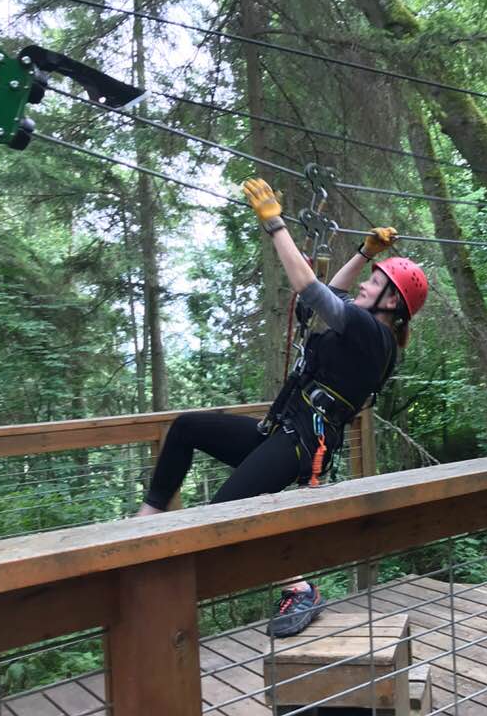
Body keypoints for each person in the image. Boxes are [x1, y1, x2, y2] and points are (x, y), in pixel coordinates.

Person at [136, 177, 428, 637]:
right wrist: (363, 254)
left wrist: (275, 225)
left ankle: (299, 586)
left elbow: (311, 289)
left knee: (223, 513)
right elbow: (328, 297)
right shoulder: (363, 328)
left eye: (374, 282)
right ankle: (147, 521)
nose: (364, 285)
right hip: (279, 430)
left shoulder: (376, 337)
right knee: (187, 428)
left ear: (392, 301)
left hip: (301, 442)